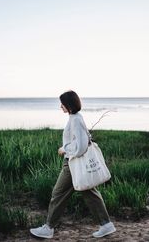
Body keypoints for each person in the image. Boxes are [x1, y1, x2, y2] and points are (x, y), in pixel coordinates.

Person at [30, 90, 116, 239]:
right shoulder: (74, 117)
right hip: (73, 163)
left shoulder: (75, 119)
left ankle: (48, 228)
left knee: (58, 194)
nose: (60, 106)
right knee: (89, 191)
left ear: (68, 105)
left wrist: (64, 149)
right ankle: (106, 225)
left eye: (62, 103)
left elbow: (81, 146)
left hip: (72, 164)